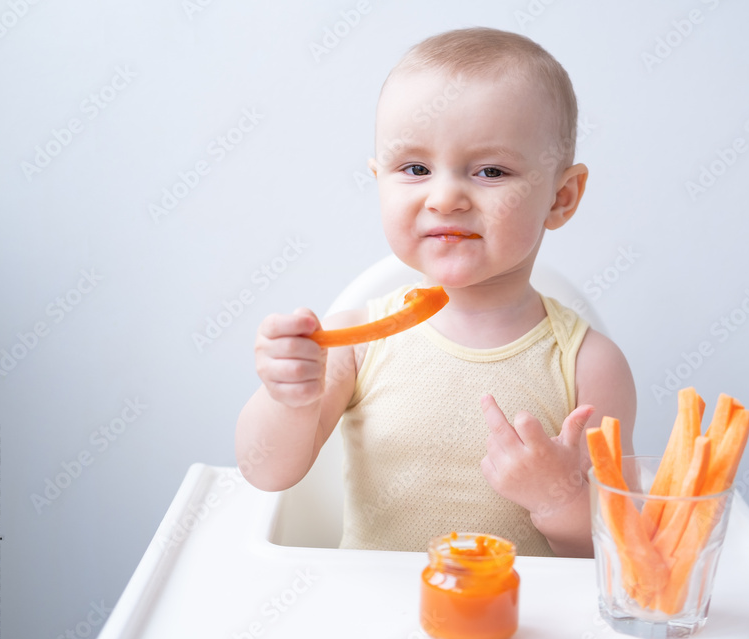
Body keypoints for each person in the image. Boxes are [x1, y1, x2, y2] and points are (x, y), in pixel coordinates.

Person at [234, 27, 636, 557]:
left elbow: (616, 549)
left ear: (561, 197)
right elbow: (266, 474)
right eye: (415, 169)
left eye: (491, 171)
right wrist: (288, 398)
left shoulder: (589, 365)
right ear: (380, 180)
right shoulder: (352, 343)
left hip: (522, 629)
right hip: (375, 618)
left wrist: (556, 499)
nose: (444, 197)